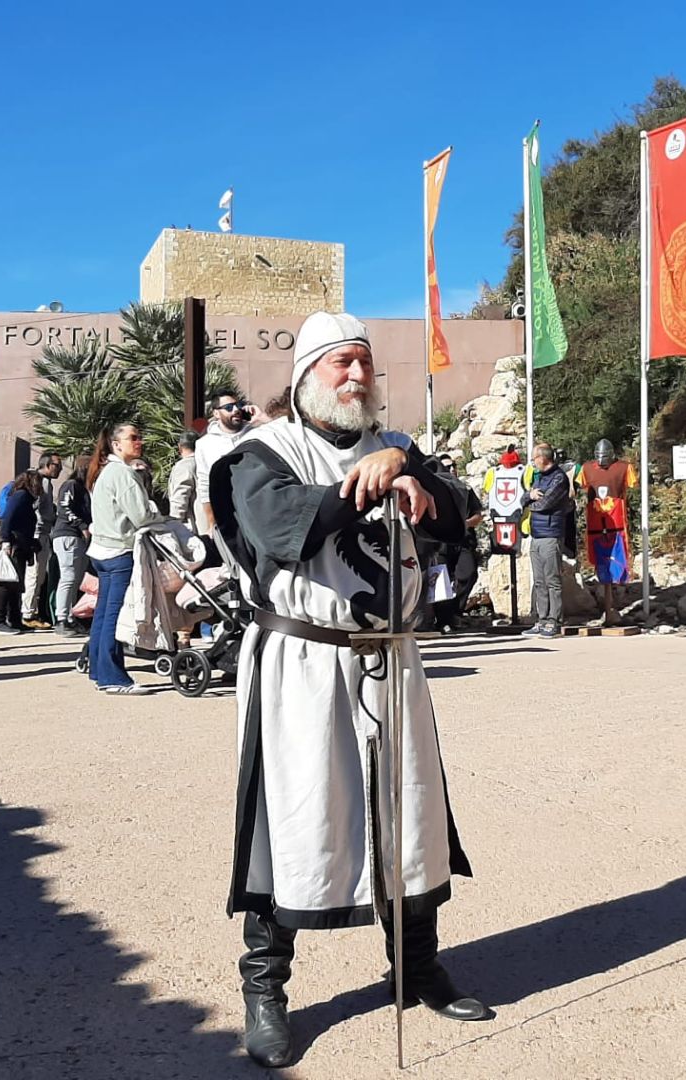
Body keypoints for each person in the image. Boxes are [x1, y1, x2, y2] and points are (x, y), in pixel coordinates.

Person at [211, 311, 486, 1070]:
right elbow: (280, 531)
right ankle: (264, 988)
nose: (357, 375)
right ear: (305, 378)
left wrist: (409, 475)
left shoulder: (397, 448)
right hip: (302, 664)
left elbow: (460, 521)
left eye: (364, 361)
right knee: (293, 820)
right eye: (340, 364)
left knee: (409, 816)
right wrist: (360, 486)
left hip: (391, 658)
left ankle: (417, 967)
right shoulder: (257, 454)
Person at [85, 425, 156, 690]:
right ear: (116, 444)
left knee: (103, 614)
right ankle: (112, 676)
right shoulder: (123, 474)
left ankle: (97, 668)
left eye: (139, 436)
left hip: (102, 550)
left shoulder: (106, 472)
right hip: (118, 551)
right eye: (133, 438)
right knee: (114, 616)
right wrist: (160, 519)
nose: (139, 442)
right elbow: (141, 516)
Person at [580, 440, 637, 625]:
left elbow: (632, 485)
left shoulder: (623, 468)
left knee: (616, 561)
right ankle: (607, 608)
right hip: (596, 522)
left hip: (617, 523)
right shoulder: (587, 469)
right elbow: (577, 486)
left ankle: (612, 607)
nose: (602, 458)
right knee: (600, 563)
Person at [429, 455, 484, 633]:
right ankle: (443, 619)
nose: (452, 469)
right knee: (440, 581)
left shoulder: (465, 489)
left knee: (468, 574)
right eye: (447, 466)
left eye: (453, 465)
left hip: (463, 539)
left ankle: (454, 611)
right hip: (442, 541)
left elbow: (477, 513)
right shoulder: (433, 489)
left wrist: (465, 524)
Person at [523, 443, 572, 638]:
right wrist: (529, 495)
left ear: (543, 458)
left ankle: (555, 620)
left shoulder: (559, 478)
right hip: (536, 535)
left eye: (534, 458)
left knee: (552, 579)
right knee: (539, 580)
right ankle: (541, 619)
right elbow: (524, 499)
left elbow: (545, 504)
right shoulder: (538, 478)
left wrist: (530, 502)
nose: (532, 462)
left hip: (551, 535)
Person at [0, 470, 41, 636]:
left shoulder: (24, 497)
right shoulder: (21, 496)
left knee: (15, 584)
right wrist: (6, 541)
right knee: (6, 583)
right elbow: (8, 518)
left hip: (21, 544)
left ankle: (15, 619)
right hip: (14, 544)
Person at [194, 391, 252, 535]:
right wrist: (211, 522)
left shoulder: (256, 433)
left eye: (238, 405)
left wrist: (262, 420)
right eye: (228, 408)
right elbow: (204, 484)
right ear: (216, 414)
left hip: (257, 508)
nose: (236, 410)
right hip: (227, 514)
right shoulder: (204, 444)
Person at [52, 453, 94, 638]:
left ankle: (69, 617)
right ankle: (61, 618)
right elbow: (65, 507)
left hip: (77, 537)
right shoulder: (71, 486)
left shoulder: (83, 489)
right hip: (68, 535)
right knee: (68, 577)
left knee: (75, 579)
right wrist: (82, 526)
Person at [21, 453, 63, 631]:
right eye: (57, 465)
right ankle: (28, 614)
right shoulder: (42, 482)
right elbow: (35, 506)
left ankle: (29, 610)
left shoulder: (39, 480)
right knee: (35, 575)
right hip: (39, 534)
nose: (60, 469)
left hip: (39, 533)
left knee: (37, 575)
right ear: (47, 465)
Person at [167, 431, 200, 526]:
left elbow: (180, 497)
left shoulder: (184, 466)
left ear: (179, 447)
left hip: (193, 524)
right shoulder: (205, 462)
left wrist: (175, 522)